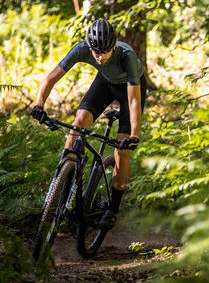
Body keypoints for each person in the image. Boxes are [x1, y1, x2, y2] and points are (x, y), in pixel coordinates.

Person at [30, 19, 146, 231]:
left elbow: (134, 100)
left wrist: (134, 135)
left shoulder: (126, 55)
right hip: (105, 83)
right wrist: (39, 104)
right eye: (96, 52)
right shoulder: (82, 49)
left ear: (114, 46)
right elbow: (50, 79)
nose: (100, 57)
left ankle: (113, 207)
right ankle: (63, 175)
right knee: (79, 121)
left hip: (129, 88)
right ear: (89, 47)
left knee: (122, 150)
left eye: (105, 51)